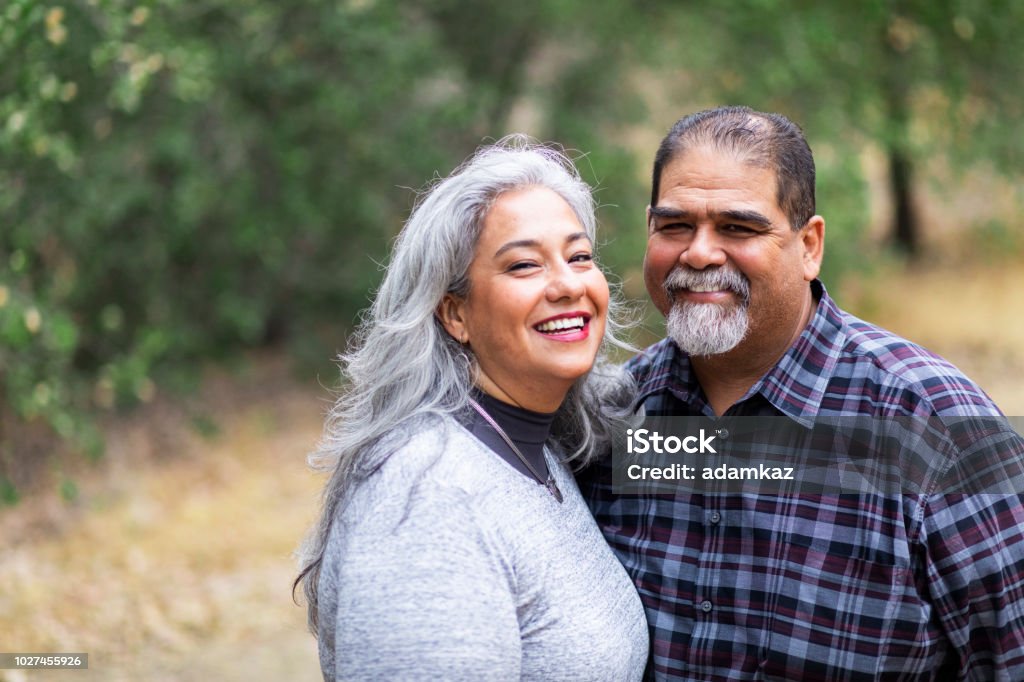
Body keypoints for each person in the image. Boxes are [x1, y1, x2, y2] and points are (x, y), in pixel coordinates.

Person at [578, 106, 1024, 680]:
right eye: (675, 225)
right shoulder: (614, 417)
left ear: (809, 246)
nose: (699, 253)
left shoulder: (933, 428)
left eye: (738, 227)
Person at [295, 136, 649, 680]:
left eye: (579, 256)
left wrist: (825, 453)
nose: (567, 284)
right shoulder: (428, 496)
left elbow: (751, 458)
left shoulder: (546, 446)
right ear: (455, 313)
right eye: (524, 265)